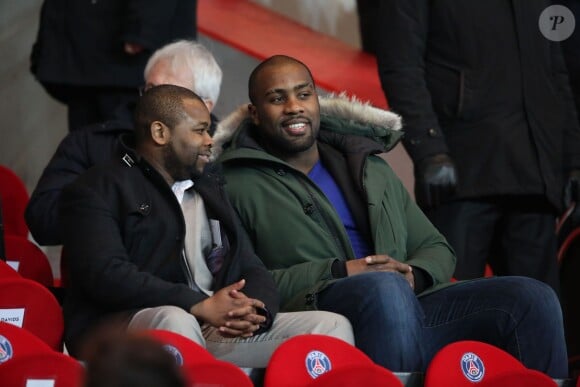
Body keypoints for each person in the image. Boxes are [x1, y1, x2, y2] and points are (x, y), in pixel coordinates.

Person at [215, 55, 568, 377]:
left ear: (316, 101)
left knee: (532, 297)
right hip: (327, 306)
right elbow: (245, 284)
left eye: (303, 94)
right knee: (384, 288)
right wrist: (340, 272)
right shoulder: (233, 183)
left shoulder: (369, 167)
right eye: (278, 99)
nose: (294, 107)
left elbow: (436, 246)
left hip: (409, 303)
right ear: (255, 113)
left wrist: (413, 274)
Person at [58, 85, 354, 367]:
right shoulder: (98, 187)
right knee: (174, 319)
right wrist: (197, 304)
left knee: (329, 326)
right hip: (119, 333)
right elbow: (106, 274)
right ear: (160, 132)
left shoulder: (209, 185)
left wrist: (254, 309)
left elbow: (250, 265)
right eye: (200, 131)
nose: (210, 140)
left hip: (210, 325)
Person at [373, 0, 580, 291]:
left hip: (535, 179)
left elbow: (558, 70)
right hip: (463, 173)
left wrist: (571, 158)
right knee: (451, 306)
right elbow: (401, 65)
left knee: (540, 314)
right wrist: (429, 148)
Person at [26, 40, 222, 246]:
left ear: (205, 107)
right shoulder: (92, 143)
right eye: (150, 89)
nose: (153, 103)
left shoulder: (227, 156)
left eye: (170, 96)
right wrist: (118, 202)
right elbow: (43, 218)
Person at [30, 0, 198, 131]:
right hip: (97, 62)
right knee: (91, 151)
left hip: (122, 64)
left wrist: (141, 30)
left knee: (119, 153)